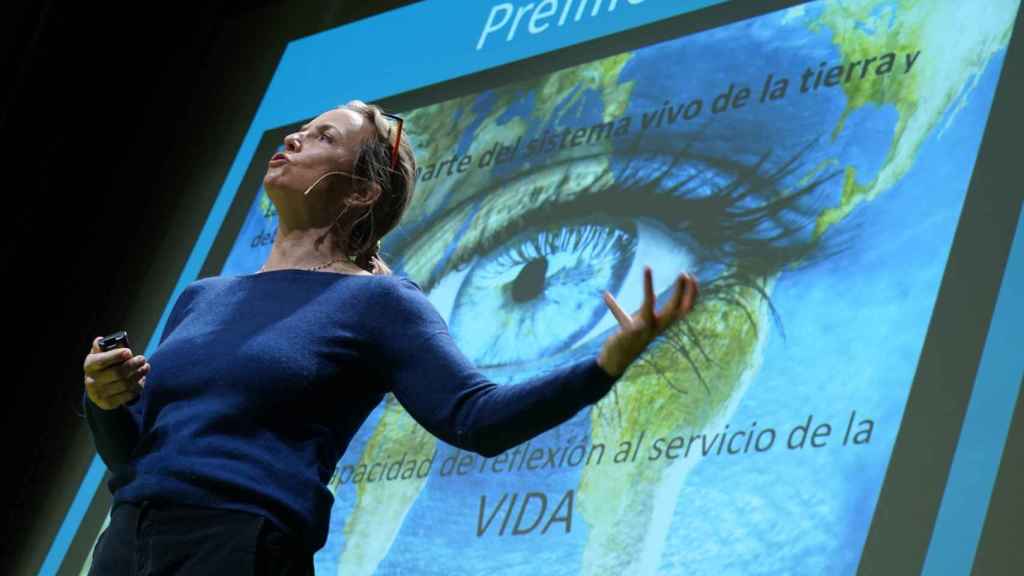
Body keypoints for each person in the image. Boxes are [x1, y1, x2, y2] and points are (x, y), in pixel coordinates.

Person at [81, 100, 699, 575]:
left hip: (242, 545)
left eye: (325, 137)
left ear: (360, 191)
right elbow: (133, 453)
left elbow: (477, 419)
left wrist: (602, 368)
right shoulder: (202, 296)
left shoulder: (379, 302)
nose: (293, 138)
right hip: (126, 539)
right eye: (302, 128)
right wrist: (104, 401)